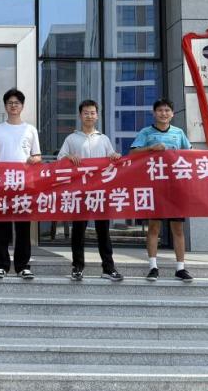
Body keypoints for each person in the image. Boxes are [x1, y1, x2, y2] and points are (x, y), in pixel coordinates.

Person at [57, 99, 123, 282]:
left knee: (103, 231)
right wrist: (69, 157)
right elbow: (60, 159)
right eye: (86, 113)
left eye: (92, 113)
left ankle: (108, 268)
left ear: (97, 116)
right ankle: (77, 267)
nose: (89, 116)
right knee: (79, 230)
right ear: (80, 115)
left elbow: (111, 158)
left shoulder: (103, 139)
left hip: (101, 191)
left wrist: (115, 156)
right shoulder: (71, 139)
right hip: (80, 191)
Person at [130, 97, 194, 282]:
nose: (163, 113)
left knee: (178, 228)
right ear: (154, 113)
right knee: (154, 227)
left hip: (175, 186)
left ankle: (180, 268)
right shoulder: (146, 132)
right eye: (160, 110)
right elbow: (132, 153)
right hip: (155, 186)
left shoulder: (178, 133)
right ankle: (153, 267)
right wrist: (150, 148)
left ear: (172, 114)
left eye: (167, 110)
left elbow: (190, 154)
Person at [0, 88, 42, 279]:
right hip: (2, 184)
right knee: (2, 226)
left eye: (17, 103)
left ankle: (22, 266)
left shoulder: (30, 129)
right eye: (10, 103)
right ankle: (1, 265)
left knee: (23, 227)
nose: (13, 106)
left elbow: (37, 156)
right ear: (5, 106)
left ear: (22, 106)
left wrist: (34, 159)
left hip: (24, 184)